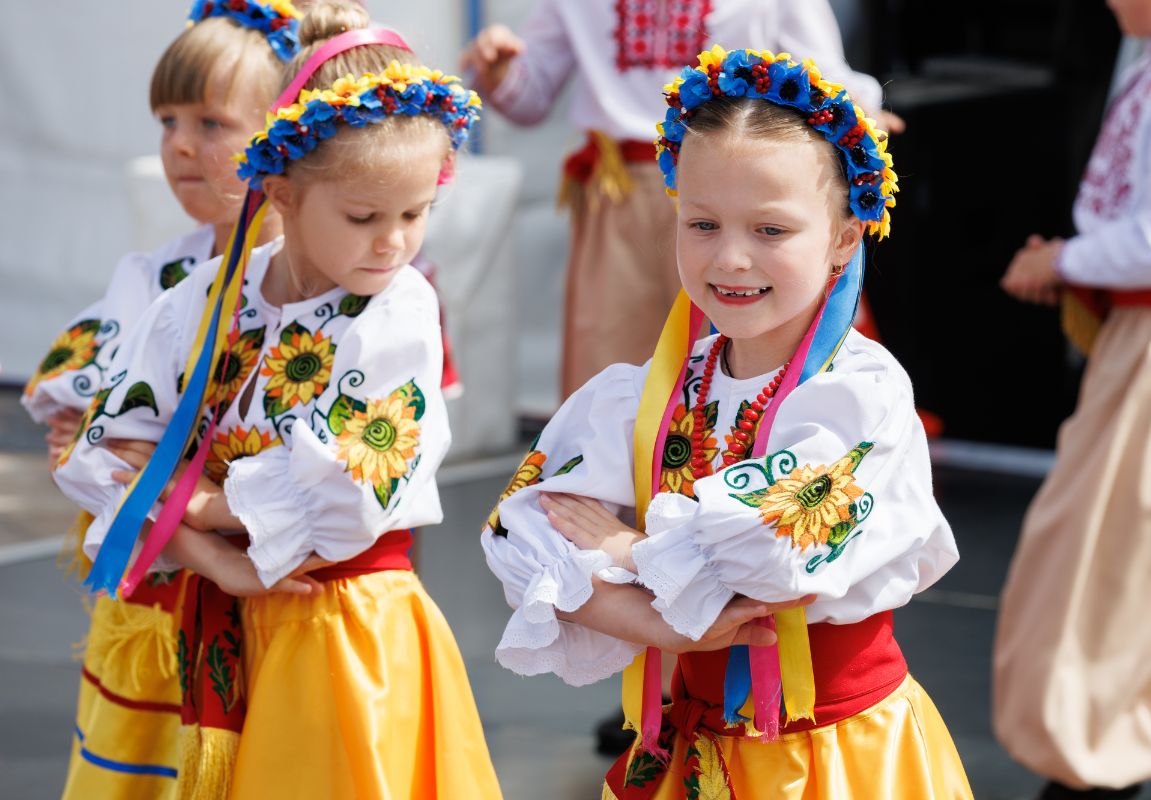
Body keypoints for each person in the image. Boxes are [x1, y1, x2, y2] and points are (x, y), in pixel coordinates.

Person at [482, 47, 971, 798]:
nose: (732, 258)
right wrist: (658, 623)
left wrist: (632, 551)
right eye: (703, 224)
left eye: (771, 231)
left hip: (833, 757)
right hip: (694, 746)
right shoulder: (654, 393)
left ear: (845, 237)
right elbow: (524, 522)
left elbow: (775, 554)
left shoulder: (859, 394)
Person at [52, 3, 503, 797]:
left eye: (416, 213)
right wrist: (208, 553)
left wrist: (190, 499)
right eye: (364, 216)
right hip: (219, 617)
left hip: (339, 635)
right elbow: (101, 444)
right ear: (282, 193)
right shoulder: (198, 295)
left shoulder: (395, 313)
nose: (394, 242)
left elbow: (354, 486)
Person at [21, 2, 298, 795]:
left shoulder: (326, 298)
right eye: (168, 119)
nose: (179, 143)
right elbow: (84, 434)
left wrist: (188, 488)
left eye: (211, 122)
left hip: (273, 597)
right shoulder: (155, 277)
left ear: (286, 135)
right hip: (154, 596)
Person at [462, 0, 901, 400]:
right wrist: (500, 71)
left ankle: (735, 473)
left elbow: (824, 78)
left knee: (739, 352)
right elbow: (531, 93)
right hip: (619, 192)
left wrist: (857, 124)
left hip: (742, 186)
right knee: (610, 358)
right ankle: (603, 477)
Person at [994, 0, 1151, 797]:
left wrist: (1067, 261)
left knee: (1115, 552)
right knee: (1139, 551)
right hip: (1147, 339)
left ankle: (1100, 757)